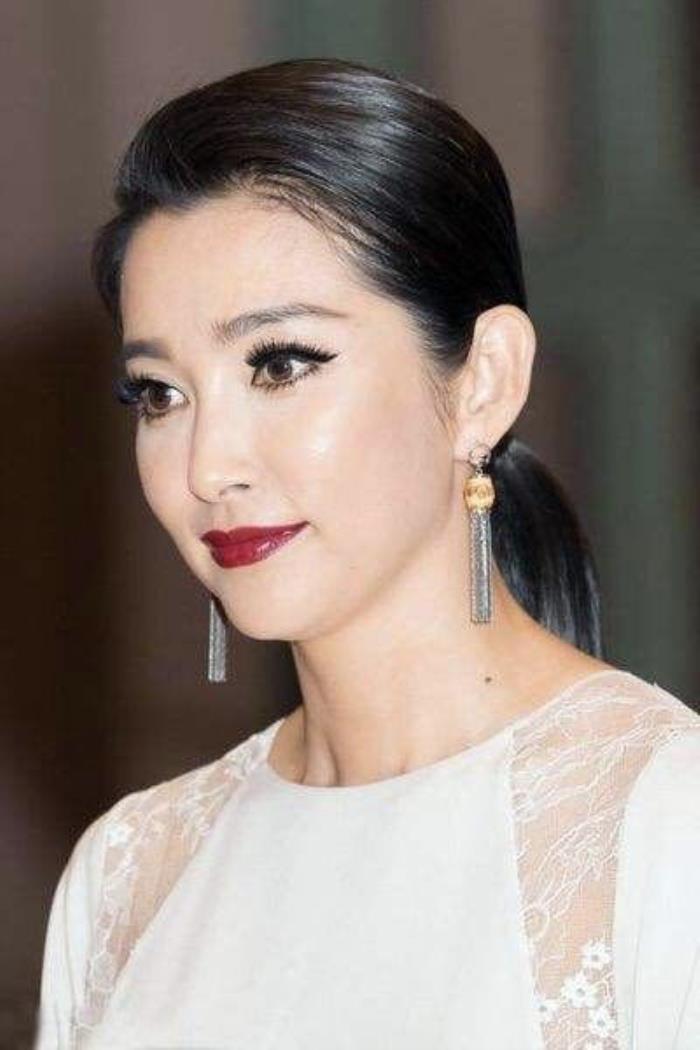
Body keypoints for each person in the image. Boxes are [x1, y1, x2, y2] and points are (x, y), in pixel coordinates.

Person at [34, 57, 700, 1050]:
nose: (208, 466)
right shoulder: (130, 870)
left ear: (484, 382)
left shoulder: (663, 824)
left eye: (280, 364)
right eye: (160, 395)